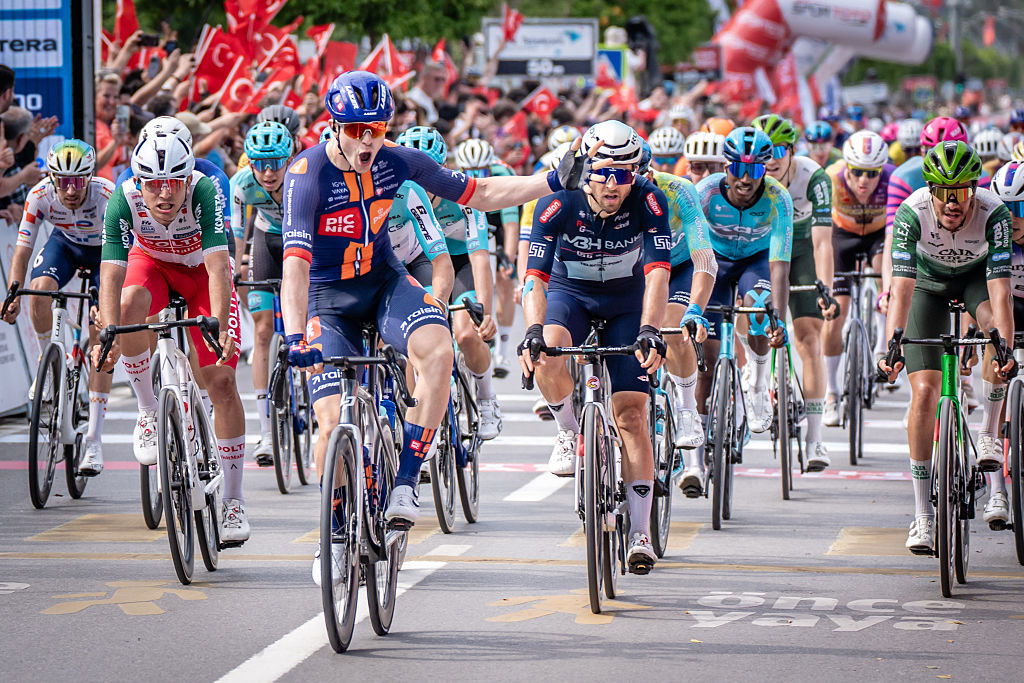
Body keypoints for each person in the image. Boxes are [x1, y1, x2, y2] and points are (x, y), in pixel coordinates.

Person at [281, 72, 601, 585]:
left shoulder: (398, 161)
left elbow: (481, 192)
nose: (369, 140)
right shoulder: (307, 174)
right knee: (326, 422)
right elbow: (294, 265)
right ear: (334, 126)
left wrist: (550, 181)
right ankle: (336, 533)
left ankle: (407, 479)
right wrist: (295, 336)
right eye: (358, 129)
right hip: (328, 299)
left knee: (439, 346)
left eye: (379, 128)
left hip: (384, 283)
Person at [519, 120, 670, 574]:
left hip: (627, 302)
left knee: (630, 414)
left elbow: (659, 272)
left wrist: (650, 328)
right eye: (604, 172)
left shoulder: (648, 200)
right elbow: (534, 279)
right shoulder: (557, 201)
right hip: (571, 295)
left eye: (625, 174)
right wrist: (531, 329)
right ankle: (568, 427)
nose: (613, 185)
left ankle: (641, 532)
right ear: (584, 167)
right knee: (546, 347)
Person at [93, 132, 249, 545]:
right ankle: (148, 412)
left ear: (187, 176)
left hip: (201, 273)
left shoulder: (204, 189)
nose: (164, 193)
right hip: (154, 267)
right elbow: (111, 270)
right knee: (128, 308)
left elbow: (219, 268)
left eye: (173, 182)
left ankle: (233, 502)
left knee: (221, 381)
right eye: (153, 183)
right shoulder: (123, 198)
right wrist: (107, 331)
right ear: (138, 180)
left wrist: (220, 326)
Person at [878, 141, 1014, 554]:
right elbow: (900, 290)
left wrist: (1004, 349)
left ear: (974, 189)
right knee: (923, 394)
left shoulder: (995, 214)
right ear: (931, 190)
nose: (953, 203)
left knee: (994, 330)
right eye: (944, 191)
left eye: (962, 192)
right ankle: (923, 515)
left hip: (975, 281)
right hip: (927, 287)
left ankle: (989, 433)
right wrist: (892, 346)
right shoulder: (913, 212)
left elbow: (1001, 295)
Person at [2, 140, 114, 475]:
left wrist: (105, 304)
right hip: (65, 246)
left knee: (100, 339)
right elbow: (22, 250)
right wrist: (12, 293)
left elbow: (121, 253)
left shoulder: (107, 195)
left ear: (89, 178)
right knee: (38, 290)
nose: (70, 190)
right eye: (62, 181)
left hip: (105, 254)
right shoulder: (39, 195)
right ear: (51, 179)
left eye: (77, 181)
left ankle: (93, 439)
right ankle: (47, 359)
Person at [695, 127, 792, 438]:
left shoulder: (778, 198)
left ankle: (759, 382)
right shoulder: (706, 193)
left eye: (755, 170)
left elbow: (779, 265)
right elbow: (688, 249)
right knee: (706, 362)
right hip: (714, 262)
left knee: (759, 310)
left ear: (766, 169)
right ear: (725, 167)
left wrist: (779, 318)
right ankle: (696, 448)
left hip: (756, 260)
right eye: (738, 169)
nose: (746, 179)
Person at [753, 114, 835, 470]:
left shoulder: (813, 177)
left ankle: (815, 439)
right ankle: (752, 375)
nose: (771, 159)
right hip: (760, 247)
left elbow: (822, 244)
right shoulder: (746, 176)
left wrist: (825, 290)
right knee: (751, 314)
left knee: (809, 339)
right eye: (764, 151)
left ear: (793, 151)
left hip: (801, 247)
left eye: (779, 151)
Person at [640, 140, 717, 495]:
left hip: (680, 265)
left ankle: (687, 409)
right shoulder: (600, 193)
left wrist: (696, 310)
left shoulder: (679, 190)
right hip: (633, 270)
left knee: (673, 330)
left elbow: (705, 259)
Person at [230, 121, 293, 465]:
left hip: (302, 243)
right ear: (250, 162)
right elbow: (238, 234)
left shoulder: (301, 177)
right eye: (260, 163)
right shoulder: (241, 183)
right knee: (263, 330)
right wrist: (232, 273)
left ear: (289, 159)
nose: (268, 172)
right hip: (266, 242)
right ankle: (266, 433)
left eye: (275, 163)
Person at [454, 137, 520, 381]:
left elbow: (511, 225)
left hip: (498, 220)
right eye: (471, 172)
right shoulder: (455, 181)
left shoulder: (502, 173)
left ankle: (502, 350)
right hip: (472, 217)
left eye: (482, 171)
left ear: (490, 167)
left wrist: (509, 259)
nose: (477, 176)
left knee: (504, 279)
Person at [987, 159, 1024, 529]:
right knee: (993, 379)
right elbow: (972, 295)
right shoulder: (991, 236)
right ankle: (996, 489)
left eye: (1021, 209)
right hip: (1004, 311)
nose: (1012, 218)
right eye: (1006, 208)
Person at [391, 126, 455, 301]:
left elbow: (441, 259)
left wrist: (439, 307)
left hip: (417, 257)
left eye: (425, 173)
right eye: (411, 173)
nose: (418, 183)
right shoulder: (398, 190)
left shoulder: (455, 193)